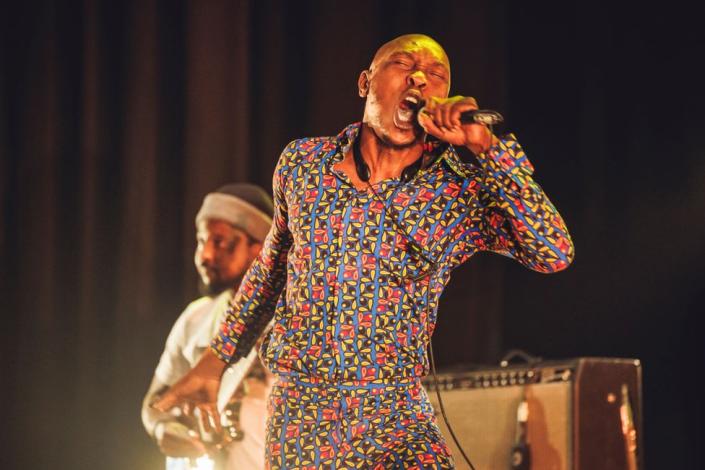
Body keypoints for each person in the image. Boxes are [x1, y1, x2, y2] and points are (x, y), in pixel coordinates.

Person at [154, 34, 574, 469]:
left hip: (396, 411)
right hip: (304, 411)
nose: (418, 77)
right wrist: (215, 358)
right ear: (364, 83)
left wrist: (489, 149)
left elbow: (554, 251)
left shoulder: (457, 193)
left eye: (436, 75)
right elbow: (270, 270)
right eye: (403, 64)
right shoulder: (303, 164)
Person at [142, 183, 274, 469]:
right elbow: (155, 403)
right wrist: (164, 428)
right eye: (202, 241)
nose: (205, 256)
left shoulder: (294, 319)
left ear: (259, 247)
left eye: (221, 242)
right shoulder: (195, 318)